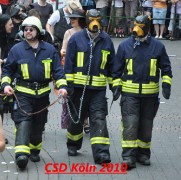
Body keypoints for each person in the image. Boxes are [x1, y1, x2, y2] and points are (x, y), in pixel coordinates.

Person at [1, 16, 67, 169]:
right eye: (25, 29)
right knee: (23, 121)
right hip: (23, 94)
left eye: (31, 29)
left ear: (38, 31)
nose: (28, 32)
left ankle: (35, 150)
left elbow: (58, 71)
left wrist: (62, 87)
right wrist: (5, 85)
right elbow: (7, 70)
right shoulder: (16, 50)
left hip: (42, 96)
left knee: (38, 125)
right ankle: (21, 155)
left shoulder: (49, 50)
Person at [112, 15, 172, 170]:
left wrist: (166, 84)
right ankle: (128, 157)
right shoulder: (125, 46)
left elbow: (166, 68)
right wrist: (116, 86)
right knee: (130, 125)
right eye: (135, 24)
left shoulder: (157, 47)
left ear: (147, 27)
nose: (137, 28)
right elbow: (116, 70)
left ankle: (143, 154)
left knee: (146, 126)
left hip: (150, 96)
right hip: (129, 95)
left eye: (140, 25)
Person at [64, 9, 115, 164]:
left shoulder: (106, 40)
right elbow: (69, 64)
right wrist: (69, 85)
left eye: (98, 20)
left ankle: (102, 154)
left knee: (99, 119)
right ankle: (73, 144)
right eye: (92, 20)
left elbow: (112, 66)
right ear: (86, 21)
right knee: (76, 120)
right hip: (79, 90)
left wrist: (114, 86)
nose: (95, 23)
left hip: (98, 91)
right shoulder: (76, 39)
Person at [60, 10, 90, 132]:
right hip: (71, 68)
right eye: (71, 18)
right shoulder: (68, 32)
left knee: (86, 96)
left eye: (75, 18)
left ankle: (86, 121)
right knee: (73, 98)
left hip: (86, 69)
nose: (72, 20)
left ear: (81, 20)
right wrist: (66, 53)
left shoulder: (88, 32)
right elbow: (62, 50)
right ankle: (74, 122)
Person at [0, 14, 14, 145]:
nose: (12, 25)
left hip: (2, 74)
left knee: (1, 107)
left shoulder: (6, 39)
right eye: (10, 24)